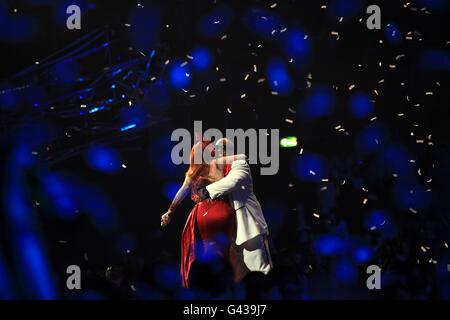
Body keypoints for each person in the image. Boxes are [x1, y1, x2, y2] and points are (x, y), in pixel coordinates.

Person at [161, 140, 246, 288]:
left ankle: (212, 284)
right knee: (230, 248)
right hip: (223, 209)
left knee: (209, 250)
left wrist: (170, 211)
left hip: (204, 212)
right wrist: (226, 144)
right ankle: (232, 283)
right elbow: (242, 157)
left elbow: (181, 192)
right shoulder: (217, 162)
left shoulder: (192, 171)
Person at [198, 138, 273, 278]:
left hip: (249, 224)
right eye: (218, 151)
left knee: (259, 267)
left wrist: (207, 190)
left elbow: (234, 181)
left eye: (222, 150)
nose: (219, 154)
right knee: (243, 273)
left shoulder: (239, 163)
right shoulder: (224, 168)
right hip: (235, 228)